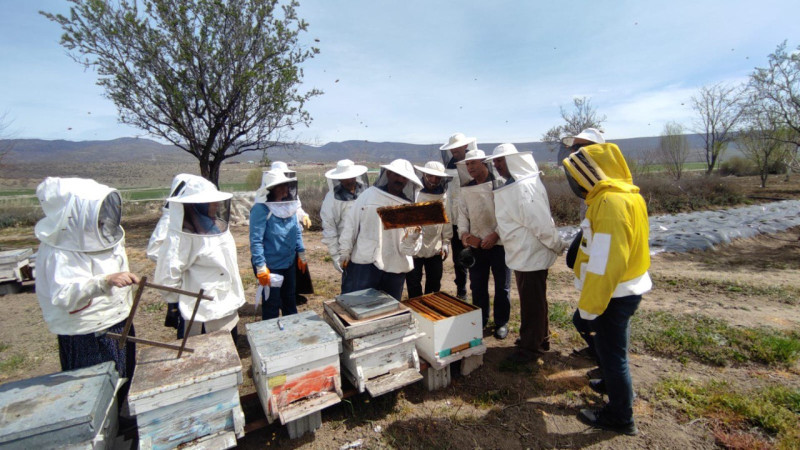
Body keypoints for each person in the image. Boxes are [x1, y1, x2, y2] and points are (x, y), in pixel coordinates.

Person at [563, 142, 652, 436]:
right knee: (612, 349)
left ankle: (620, 416)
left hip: (613, 293)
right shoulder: (626, 195)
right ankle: (615, 385)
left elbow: (605, 264)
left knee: (613, 355)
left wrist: (590, 307)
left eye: (579, 175)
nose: (576, 182)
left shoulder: (610, 203)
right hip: (624, 288)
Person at [34, 177, 139, 381]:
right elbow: (64, 295)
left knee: (126, 381)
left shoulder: (104, 236)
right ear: (75, 213)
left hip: (118, 320)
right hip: (89, 333)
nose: (102, 217)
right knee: (98, 388)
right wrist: (105, 281)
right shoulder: (59, 252)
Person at [487, 144, 568, 362]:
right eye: (495, 162)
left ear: (513, 161)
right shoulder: (516, 186)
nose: (497, 166)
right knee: (535, 300)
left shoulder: (524, 187)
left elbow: (540, 224)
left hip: (531, 254)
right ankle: (540, 338)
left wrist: (557, 245)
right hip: (524, 254)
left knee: (533, 302)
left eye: (501, 161)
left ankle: (530, 349)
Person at [154, 176, 245, 338]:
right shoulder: (183, 235)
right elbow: (166, 277)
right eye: (210, 202)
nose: (216, 205)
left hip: (227, 305)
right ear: (197, 205)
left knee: (230, 354)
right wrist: (174, 304)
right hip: (202, 313)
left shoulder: (216, 226)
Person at [339, 159, 423, 300]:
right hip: (366, 263)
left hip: (395, 266)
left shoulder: (410, 207)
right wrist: (345, 251)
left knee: (387, 312)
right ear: (388, 174)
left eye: (404, 177)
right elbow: (351, 224)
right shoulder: (369, 195)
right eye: (396, 175)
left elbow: (409, 250)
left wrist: (413, 238)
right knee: (358, 306)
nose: (400, 180)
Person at [456, 149, 511, 339]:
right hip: (476, 246)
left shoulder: (500, 185)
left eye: (473, 163)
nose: (470, 168)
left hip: (500, 245)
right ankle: (480, 321)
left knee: (502, 287)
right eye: (467, 164)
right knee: (477, 286)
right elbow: (462, 214)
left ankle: (501, 322)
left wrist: (495, 235)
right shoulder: (466, 189)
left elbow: (508, 215)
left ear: (483, 163)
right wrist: (463, 234)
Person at [145, 173, 203, 338]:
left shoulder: (194, 216)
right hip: (183, 281)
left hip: (197, 282)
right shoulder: (170, 217)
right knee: (187, 326)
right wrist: (180, 261)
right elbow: (154, 251)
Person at [250, 169, 306, 320]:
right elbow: (256, 240)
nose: (285, 190)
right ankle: (271, 339)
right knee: (271, 305)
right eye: (280, 186)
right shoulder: (260, 209)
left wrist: (301, 253)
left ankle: (292, 335)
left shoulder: (290, 206)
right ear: (271, 189)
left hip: (289, 263)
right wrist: (261, 266)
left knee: (290, 300)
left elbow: (296, 231)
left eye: (286, 186)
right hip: (271, 266)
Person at [406, 161, 453, 298]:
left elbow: (447, 219)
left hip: (435, 245)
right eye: (431, 176)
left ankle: (431, 311)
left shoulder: (443, 195)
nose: (434, 180)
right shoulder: (414, 193)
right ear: (424, 175)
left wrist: (446, 242)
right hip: (415, 246)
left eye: (437, 177)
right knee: (414, 282)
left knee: (434, 282)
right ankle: (416, 310)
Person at [270, 161, 313, 304]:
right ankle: (281, 298)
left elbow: (296, 208)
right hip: (276, 240)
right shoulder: (266, 197)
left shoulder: (291, 192)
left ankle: (293, 295)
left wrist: (304, 216)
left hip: (293, 236)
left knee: (295, 266)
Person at [320, 159, 369, 281]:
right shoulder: (331, 199)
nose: (349, 180)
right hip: (347, 248)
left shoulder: (367, 192)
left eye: (351, 177)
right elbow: (329, 227)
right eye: (345, 178)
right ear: (339, 179)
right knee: (351, 287)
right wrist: (336, 255)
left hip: (369, 246)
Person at [440, 133, 475, 300]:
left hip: (474, 220)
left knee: (474, 257)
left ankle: (477, 291)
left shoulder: (473, 162)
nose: (454, 150)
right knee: (458, 259)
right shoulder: (448, 166)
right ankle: (461, 291)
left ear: (464, 146)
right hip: (454, 220)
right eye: (451, 148)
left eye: (456, 147)